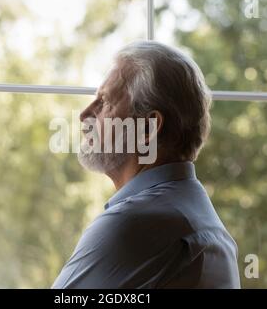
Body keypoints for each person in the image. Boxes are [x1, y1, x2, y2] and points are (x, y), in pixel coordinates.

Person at [52, 40, 240, 288]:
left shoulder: (133, 224)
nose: (85, 114)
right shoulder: (195, 215)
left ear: (147, 129)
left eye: (105, 102)